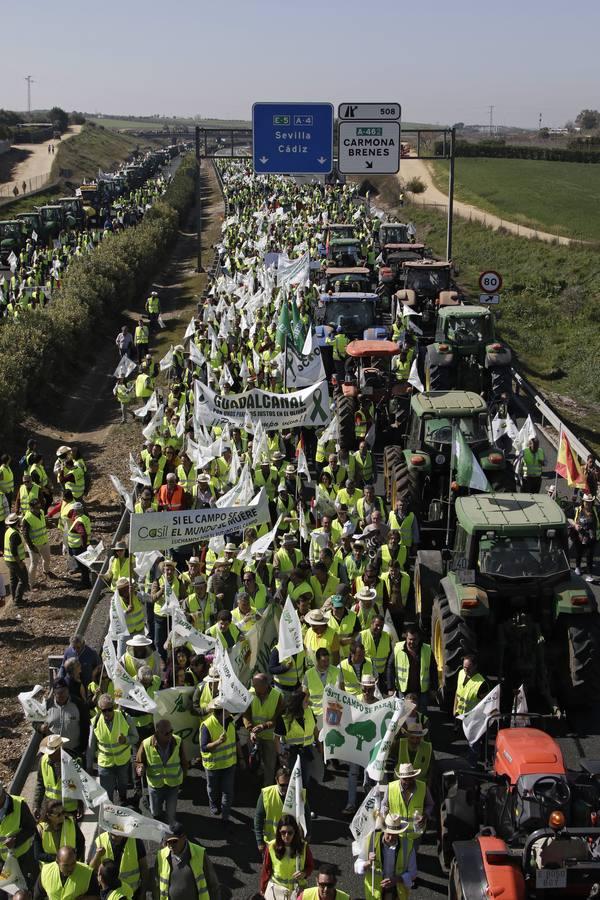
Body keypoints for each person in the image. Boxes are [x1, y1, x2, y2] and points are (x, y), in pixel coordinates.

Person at [135, 719, 188, 827]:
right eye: (166, 733)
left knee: (171, 814)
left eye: (171, 731)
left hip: (173, 784)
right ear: (157, 732)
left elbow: (184, 762)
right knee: (155, 813)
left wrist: (183, 776)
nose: (170, 735)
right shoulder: (146, 744)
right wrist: (140, 768)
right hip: (155, 785)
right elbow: (139, 761)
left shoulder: (178, 741)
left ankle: (169, 834)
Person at [87, 694, 137, 804]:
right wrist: (89, 766)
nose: (107, 713)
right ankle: (110, 812)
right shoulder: (95, 722)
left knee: (123, 786)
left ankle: (122, 799)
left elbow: (135, 737)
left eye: (110, 709)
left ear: (114, 707)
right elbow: (91, 746)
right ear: (100, 709)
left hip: (123, 762)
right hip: (105, 764)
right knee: (107, 793)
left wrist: (126, 740)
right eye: (104, 710)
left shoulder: (125, 717)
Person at [354, 812, 417, 899]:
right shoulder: (370, 840)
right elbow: (357, 867)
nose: (391, 838)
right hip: (375, 892)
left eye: (394, 835)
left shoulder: (408, 845)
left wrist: (396, 880)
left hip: (397, 893)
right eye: (388, 834)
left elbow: (413, 873)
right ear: (383, 830)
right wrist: (368, 862)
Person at [253, 767, 311, 856]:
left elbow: (306, 816)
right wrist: (260, 842)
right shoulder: (266, 794)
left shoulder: (300, 794)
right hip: (272, 843)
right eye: (282, 785)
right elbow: (258, 819)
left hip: (293, 843)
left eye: (289, 785)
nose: (286, 788)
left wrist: (308, 835)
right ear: (276, 780)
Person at [155, 822, 220, 900]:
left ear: (184, 837)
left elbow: (213, 884)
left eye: (174, 841)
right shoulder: (161, 855)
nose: (171, 845)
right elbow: (156, 885)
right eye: (168, 842)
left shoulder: (199, 853)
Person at [200, 698, 239, 825]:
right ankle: (213, 803)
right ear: (221, 711)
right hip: (213, 765)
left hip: (229, 764)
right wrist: (218, 742)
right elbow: (204, 747)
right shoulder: (207, 725)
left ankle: (225, 817)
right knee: (212, 789)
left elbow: (236, 741)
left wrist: (242, 758)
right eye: (227, 709)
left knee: (228, 791)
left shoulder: (231, 722)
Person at [259, 815, 314, 899]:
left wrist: (304, 873)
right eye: (283, 832)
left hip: (297, 890)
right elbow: (266, 869)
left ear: (295, 832)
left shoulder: (304, 846)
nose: (286, 835)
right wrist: (263, 888)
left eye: (290, 832)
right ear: (279, 832)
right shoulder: (271, 846)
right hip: (276, 889)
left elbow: (310, 866)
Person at [243, 674, 283, 787]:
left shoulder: (278, 696)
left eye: (256, 685)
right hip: (254, 736)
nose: (253, 687)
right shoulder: (250, 693)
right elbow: (245, 714)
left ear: (266, 685)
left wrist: (264, 726)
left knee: (269, 765)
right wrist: (251, 729)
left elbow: (278, 718)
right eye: (253, 685)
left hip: (270, 737)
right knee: (253, 762)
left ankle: (267, 789)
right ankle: (254, 783)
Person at [274, 690, 318, 792]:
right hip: (290, 753)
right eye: (306, 701)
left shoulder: (309, 711)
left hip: (306, 750)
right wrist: (280, 755)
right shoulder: (284, 718)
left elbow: (314, 729)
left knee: (305, 779)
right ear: (298, 703)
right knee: (291, 781)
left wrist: (319, 745)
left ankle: (303, 802)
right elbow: (276, 739)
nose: (309, 703)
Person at [387, 625, 436, 714]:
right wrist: (391, 687)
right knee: (402, 716)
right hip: (404, 690)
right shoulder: (398, 648)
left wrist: (433, 688)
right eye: (410, 639)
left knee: (421, 716)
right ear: (406, 637)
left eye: (414, 639)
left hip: (421, 691)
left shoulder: (427, 650)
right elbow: (390, 667)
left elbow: (433, 670)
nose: (412, 642)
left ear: (419, 638)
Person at [0, 781, 38, 889]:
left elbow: (31, 828)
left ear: (3, 792)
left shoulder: (19, 805)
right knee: (8, 889)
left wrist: (15, 841)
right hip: (3, 863)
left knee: (28, 889)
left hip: (24, 860)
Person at [33, 735, 81, 820]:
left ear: (60, 750)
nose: (49, 756)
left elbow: (81, 785)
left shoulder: (73, 762)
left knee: (71, 833)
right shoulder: (43, 760)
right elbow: (40, 784)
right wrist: (36, 805)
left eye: (52, 753)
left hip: (68, 810)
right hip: (49, 809)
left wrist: (81, 805)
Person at [94, 828, 149, 898]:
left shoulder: (136, 841)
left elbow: (144, 869)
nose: (115, 831)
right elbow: (91, 869)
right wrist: (97, 855)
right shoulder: (101, 840)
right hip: (110, 896)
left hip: (132, 894)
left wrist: (143, 893)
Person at [33, 845, 98, 900]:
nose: (70, 868)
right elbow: (37, 897)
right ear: (57, 862)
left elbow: (97, 897)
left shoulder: (88, 873)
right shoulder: (46, 872)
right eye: (65, 865)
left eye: (73, 863)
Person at [3, 512, 29, 607]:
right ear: (17, 522)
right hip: (14, 561)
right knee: (24, 580)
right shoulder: (15, 535)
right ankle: (18, 601)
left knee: (13, 580)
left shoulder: (9, 531)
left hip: (9, 560)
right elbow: (14, 551)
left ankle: (15, 599)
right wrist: (20, 562)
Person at [572, 493, 599, 578]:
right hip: (580, 536)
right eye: (586, 502)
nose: (588, 503)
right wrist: (575, 525)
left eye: (590, 501)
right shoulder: (578, 509)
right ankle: (577, 567)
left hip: (591, 537)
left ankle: (590, 574)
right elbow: (569, 518)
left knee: (589, 555)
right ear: (583, 501)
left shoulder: (596, 510)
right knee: (579, 553)